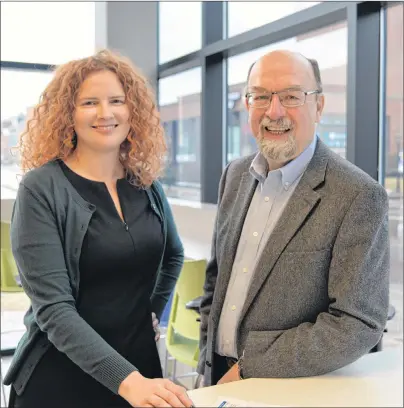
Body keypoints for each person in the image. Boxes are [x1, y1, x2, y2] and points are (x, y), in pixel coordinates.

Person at [4, 49, 193, 408]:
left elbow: (174, 255)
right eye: (89, 102)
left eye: (117, 101)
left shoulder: (147, 185)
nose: (105, 113)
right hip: (62, 376)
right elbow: (54, 312)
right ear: (67, 113)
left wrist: (149, 311)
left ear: (132, 109)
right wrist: (127, 381)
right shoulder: (41, 189)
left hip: (139, 370)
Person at [197, 50, 390, 386]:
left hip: (288, 388)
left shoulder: (357, 194)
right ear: (247, 104)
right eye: (260, 96)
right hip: (217, 380)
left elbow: (358, 322)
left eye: (290, 96)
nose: (274, 111)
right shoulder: (235, 175)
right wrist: (205, 356)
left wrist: (249, 367)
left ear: (318, 106)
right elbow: (216, 282)